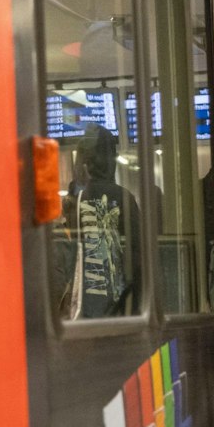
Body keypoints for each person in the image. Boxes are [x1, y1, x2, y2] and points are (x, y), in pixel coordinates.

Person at [57, 125, 141, 319]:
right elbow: (137, 253)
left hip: (85, 302)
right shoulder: (124, 197)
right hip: (117, 300)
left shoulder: (77, 200)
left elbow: (71, 249)